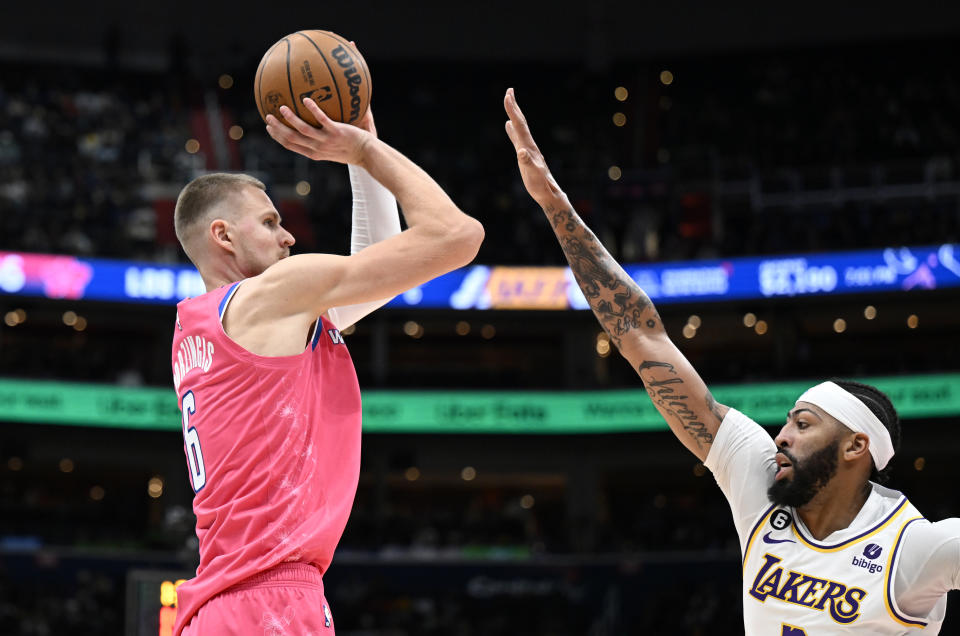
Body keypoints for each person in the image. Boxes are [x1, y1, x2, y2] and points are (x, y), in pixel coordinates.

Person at [503, 87, 960, 634]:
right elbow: (640, 336)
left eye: (803, 423)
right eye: (788, 419)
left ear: (856, 446)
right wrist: (555, 205)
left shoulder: (918, 546)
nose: (781, 435)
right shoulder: (760, 479)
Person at [169, 98, 483, 636]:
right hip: (267, 603)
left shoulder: (204, 326)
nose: (288, 235)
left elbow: (377, 266)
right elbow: (457, 237)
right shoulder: (272, 296)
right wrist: (364, 151)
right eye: (270, 222)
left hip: (224, 602)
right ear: (224, 236)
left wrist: (365, 144)